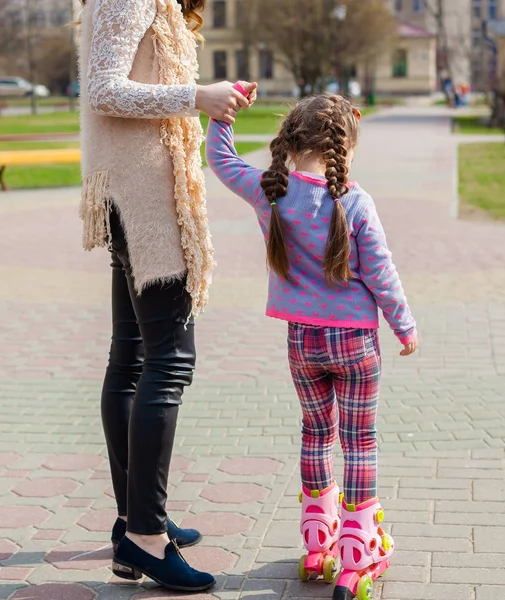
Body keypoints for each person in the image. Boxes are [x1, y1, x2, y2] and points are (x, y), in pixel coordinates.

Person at [206, 93, 418, 598]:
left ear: (290, 137)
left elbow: (221, 160)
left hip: (303, 339)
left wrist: (222, 116)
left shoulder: (270, 190)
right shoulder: (356, 202)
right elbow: (381, 272)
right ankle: (356, 549)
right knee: (359, 440)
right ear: (346, 143)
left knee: (315, 433)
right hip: (356, 343)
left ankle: (317, 541)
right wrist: (404, 325)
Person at [78, 0, 256, 592]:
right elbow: (105, 90)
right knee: (168, 361)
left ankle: (136, 523)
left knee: (131, 357)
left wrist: (200, 95)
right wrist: (196, 96)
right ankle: (145, 539)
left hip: (133, 189)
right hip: (148, 199)